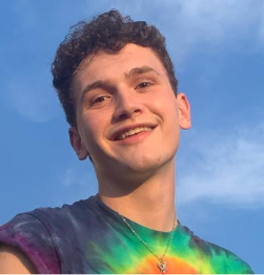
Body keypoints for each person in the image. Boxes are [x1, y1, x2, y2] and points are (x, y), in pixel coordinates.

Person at [0, 10, 254, 275]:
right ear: (77, 142)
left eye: (143, 84)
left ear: (182, 111)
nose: (128, 106)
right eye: (99, 99)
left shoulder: (231, 268)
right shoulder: (40, 243)